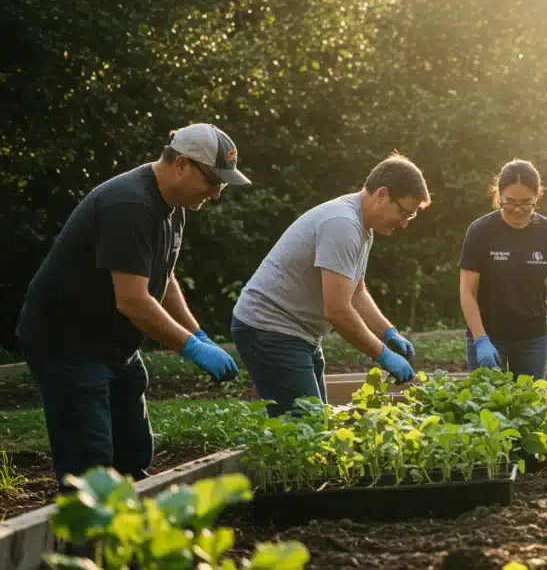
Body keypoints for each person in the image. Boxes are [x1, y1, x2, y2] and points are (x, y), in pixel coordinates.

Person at [17, 124, 250, 485]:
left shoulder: (173, 206)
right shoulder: (129, 205)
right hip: (69, 343)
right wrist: (191, 348)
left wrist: (198, 334)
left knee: (133, 451)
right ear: (182, 164)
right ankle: (87, 519)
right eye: (213, 181)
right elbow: (133, 301)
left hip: (113, 342)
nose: (217, 193)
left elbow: (164, 277)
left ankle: (132, 511)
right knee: (90, 466)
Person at [232, 152, 430, 417]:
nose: (404, 224)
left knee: (314, 424)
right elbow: (337, 311)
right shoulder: (343, 225)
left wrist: (388, 332)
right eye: (404, 212)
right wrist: (382, 354)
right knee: (306, 426)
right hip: (269, 330)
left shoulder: (363, 228)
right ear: (382, 194)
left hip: (299, 334)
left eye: (411, 216)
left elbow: (356, 292)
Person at [458, 160, 547, 380]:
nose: (518, 209)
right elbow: (467, 292)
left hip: (533, 338)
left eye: (526, 202)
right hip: (488, 334)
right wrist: (480, 339)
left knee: (531, 399)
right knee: (486, 399)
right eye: (510, 202)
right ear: (499, 196)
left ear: (538, 196)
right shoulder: (480, 231)